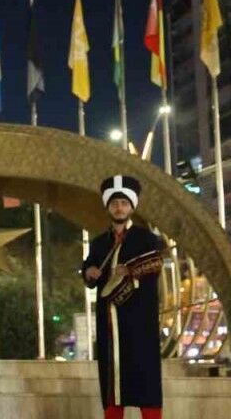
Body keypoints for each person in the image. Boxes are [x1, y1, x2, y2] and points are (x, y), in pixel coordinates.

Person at [82, 175, 164, 419]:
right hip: (109, 323)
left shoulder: (146, 238)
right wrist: (89, 271)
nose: (119, 208)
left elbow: (155, 263)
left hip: (140, 320)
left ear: (131, 207)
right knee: (111, 379)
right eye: (115, 203)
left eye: (124, 203)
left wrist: (129, 270)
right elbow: (88, 270)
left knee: (145, 378)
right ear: (108, 207)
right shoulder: (99, 243)